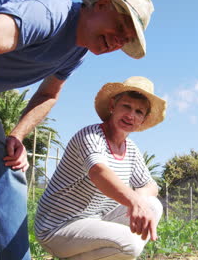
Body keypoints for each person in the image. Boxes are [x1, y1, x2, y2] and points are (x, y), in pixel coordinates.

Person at [0, 0, 154, 259]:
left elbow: (49, 94)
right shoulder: (48, 12)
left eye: (125, 40)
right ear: (101, 4)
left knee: (8, 168)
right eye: (120, 27)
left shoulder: (76, 52)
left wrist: (17, 135)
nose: (117, 41)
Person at [34, 76, 166, 260]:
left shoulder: (131, 150)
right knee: (130, 245)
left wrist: (140, 201)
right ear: (113, 106)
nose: (131, 115)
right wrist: (135, 203)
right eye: (126, 106)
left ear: (143, 119)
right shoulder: (91, 136)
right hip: (58, 226)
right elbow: (99, 172)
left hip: (94, 220)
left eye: (139, 111)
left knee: (153, 206)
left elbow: (151, 186)